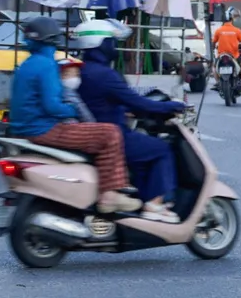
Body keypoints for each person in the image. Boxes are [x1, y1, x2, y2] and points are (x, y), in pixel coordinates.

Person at [8, 16, 143, 214]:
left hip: (26, 128)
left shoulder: (27, 65)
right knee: (110, 133)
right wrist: (74, 111)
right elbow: (52, 106)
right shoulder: (46, 65)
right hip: (45, 129)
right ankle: (110, 195)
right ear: (53, 40)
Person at [73, 19, 187, 223]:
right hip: (115, 136)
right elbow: (140, 103)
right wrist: (173, 106)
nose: (114, 47)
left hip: (94, 131)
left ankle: (140, 201)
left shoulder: (82, 70)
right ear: (100, 43)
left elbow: (106, 102)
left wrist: (126, 109)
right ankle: (154, 204)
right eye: (110, 42)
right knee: (161, 150)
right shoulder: (106, 75)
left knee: (144, 155)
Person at [213, 7, 241, 83]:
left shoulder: (218, 30)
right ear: (231, 19)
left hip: (221, 55)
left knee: (214, 66)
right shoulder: (237, 30)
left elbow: (213, 43)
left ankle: (217, 82)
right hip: (234, 55)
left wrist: (214, 47)